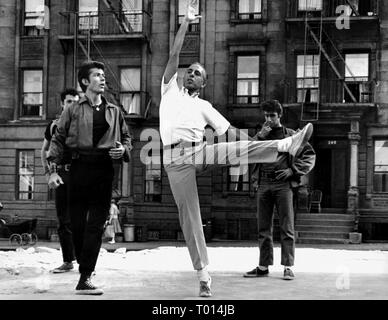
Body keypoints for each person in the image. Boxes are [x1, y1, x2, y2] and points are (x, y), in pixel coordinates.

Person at [160, 0, 313, 297]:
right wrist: (187, 22)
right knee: (189, 216)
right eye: (189, 70)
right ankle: (203, 275)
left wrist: (259, 141)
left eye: (197, 73)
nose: (190, 73)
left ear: (203, 83)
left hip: (198, 151)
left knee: (234, 146)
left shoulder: (204, 106)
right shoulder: (169, 89)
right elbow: (174, 52)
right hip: (173, 157)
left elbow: (230, 134)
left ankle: (285, 144)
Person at [47, 60, 132, 295]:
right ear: (85, 81)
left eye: (103, 75)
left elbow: (126, 138)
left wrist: (123, 150)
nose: (103, 78)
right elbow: (58, 139)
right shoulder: (72, 109)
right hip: (78, 168)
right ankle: (83, 265)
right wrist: (52, 170)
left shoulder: (114, 111)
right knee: (77, 224)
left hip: (104, 170)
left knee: (95, 224)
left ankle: (85, 276)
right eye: (97, 75)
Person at [243, 100, 316, 280]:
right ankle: (263, 266)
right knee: (263, 227)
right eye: (266, 116)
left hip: (283, 185)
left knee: (286, 226)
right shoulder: (261, 135)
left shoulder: (291, 135)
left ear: (279, 115)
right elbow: (246, 152)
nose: (269, 119)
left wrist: (292, 170)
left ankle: (288, 267)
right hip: (263, 184)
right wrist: (260, 136)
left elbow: (309, 155)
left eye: (272, 116)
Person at [41, 88, 79, 273]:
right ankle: (68, 261)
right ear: (63, 104)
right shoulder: (54, 126)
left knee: (81, 219)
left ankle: (86, 263)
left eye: (76, 101)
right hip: (61, 176)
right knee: (63, 220)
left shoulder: (83, 125)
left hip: (80, 176)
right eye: (69, 101)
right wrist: (48, 174)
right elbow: (44, 151)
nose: (73, 105)